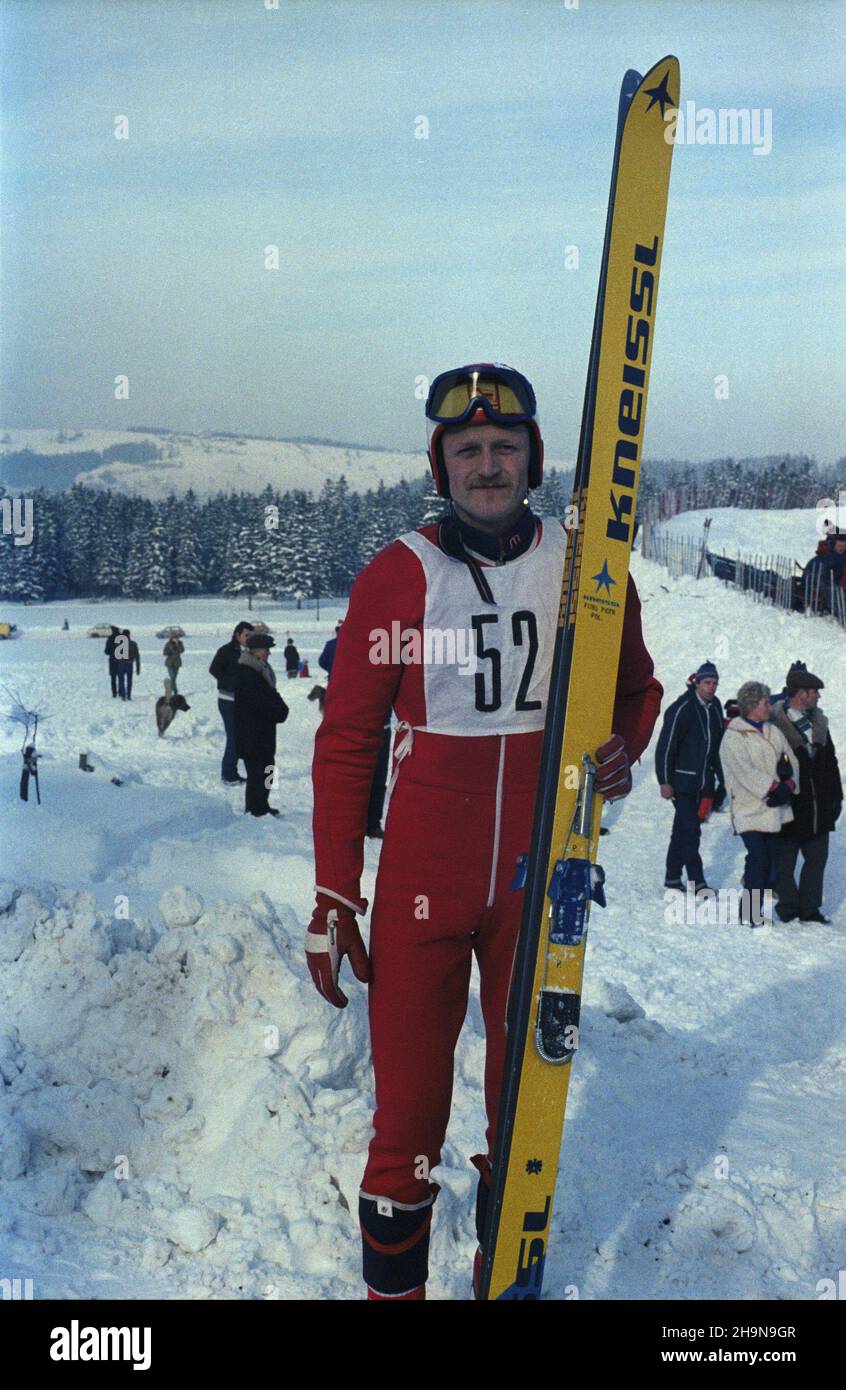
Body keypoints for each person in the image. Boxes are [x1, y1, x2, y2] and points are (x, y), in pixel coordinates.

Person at [307, 362, 663, 1300]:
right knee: (408, 1128)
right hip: (425, 882)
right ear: (442, 464)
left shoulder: (586, 570)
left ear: (531, 459)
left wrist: (622, 747)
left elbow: (636, 686)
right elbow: (345, 742)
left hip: (534, 884)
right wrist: (336, 888)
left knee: (525, 1118)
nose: (488, 464)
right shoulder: (399, 574)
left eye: (505, 447)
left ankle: (501, 1280)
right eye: (468, 449)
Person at [719, 681, 799, 926]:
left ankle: (755, 909)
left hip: (774, 810)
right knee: (759, 858)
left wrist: (790, 785)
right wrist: (773, 787)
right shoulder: (734, 736)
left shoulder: (773, 731)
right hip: (749, 809)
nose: (769, 705)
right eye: (765, 701)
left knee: (768, 859)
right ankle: (749, 913)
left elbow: (792, 761)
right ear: (752, 705)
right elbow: (744, 771)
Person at [770, 666, 841, 923]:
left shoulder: (820, 724)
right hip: (791, 808)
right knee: (785, 863)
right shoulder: (775, 725)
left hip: (820, 807)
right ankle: (788, 907)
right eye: (814, 692)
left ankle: (810, 909)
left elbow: (831, 763)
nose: (818, 697)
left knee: (816, 861)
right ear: (801, 694)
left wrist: (837, 798)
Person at [654, 660, 726, 895]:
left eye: (715, 683)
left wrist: (722, 779)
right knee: (691, 830)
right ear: (697, 683)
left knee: (682, 831)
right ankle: (698, 883)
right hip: (681, 782)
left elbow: (717, 747)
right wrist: (664, 780)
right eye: (707, 682)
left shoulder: (715, 707)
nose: (711, 687)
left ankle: (672, 877)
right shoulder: (682, 708)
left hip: (703, 782)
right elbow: (666, 746)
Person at [320, 619, 387, 838]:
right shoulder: (376, 646)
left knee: (362, 776)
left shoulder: (336, 645)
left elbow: (322, 662)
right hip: (362, 719)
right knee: (368, 776)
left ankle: (358, 822)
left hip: (363, 718)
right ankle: (366, 822)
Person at [233, 632, 289, 817]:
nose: (269, 653)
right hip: (252, 733)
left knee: (267, 769)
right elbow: (259, 702)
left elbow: (271, 694)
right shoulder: (247, 672)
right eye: (266, 650)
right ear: (256, 651)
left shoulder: (260, 669)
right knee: (257, 772)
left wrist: (281, 708)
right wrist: (278, 712)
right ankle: (255, 808)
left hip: (263, 732)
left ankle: (262, 804)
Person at [209, 622, 253, 784]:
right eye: (246, 635)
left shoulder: (250, 652)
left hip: (244, 701)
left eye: (251, 635)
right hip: (228, 700)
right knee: (234, 737)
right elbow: (214, 669)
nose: (249, 638)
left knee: (242, 737)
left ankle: (234, 771)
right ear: (237, 635)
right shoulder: (226, 651)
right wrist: (230, 682)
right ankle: (228, 774)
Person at [115, 629, 140, 701]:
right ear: (129, 635)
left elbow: (116, 656)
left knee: (121, 680)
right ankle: (128, 695)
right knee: (129, 680)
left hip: (121, 664)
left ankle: (123, 695)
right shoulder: (134, 644)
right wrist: (138, 668)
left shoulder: (119, 644)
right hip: (130, 664)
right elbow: (137, 656)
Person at [104, 625, 120, 698]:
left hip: (112, 660)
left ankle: (114, 693)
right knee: (121, 677)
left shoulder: (110, 639)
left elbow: (106, 652)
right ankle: (121, 691)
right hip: (121, 660)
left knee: (113, 678)